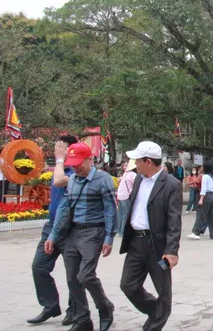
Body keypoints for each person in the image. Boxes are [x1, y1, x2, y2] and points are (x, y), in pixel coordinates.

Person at [46, 142, 116, 331]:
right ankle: (83, 319)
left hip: (93, 232)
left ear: (89, 160)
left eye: (79, 163)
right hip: (72, 233)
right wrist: (53, 234)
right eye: (73, 164)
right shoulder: (72, 180)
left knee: (85, 275)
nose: (75, 167)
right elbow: (64, 208)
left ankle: (105, 307)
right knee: (72, 278)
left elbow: (110, 208)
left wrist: (109, 237)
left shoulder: (103, 179)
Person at [120, 141, 182, 331]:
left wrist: (171, 251)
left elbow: (174, 220)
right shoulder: (139, 179)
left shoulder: (171, 184)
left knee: (163, 291)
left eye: (137, 160)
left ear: (148, 162)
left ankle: (154, 326)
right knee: (128, 285)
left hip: (157, 246)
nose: (134, 164)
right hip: (136, 242)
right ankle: (156, 311)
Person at [28, 135, 78, 326]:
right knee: (39, 266)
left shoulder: (75, 172)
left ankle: (74, 309)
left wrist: (59, 160)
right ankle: (50, 305)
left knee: (73, 273)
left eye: (60, 147)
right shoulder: (59, 169)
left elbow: (58, 181)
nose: (57, 150)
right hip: (51, 226)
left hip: (70, 229)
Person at [187, 160, 213, 240]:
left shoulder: (205, 177)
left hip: (207, 196)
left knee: (201, 215)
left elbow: (204, 189)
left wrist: (201, 199)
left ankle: (196, 232)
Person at [116, 160, 137, 237]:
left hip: (121, 196)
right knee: (124, 215)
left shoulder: (127, 174)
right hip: (125, 196)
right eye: (124, 165)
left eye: (126, 165)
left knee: (121, 214)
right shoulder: (131, 174)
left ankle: (119, 231)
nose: (124, 167)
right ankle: (122, 232)